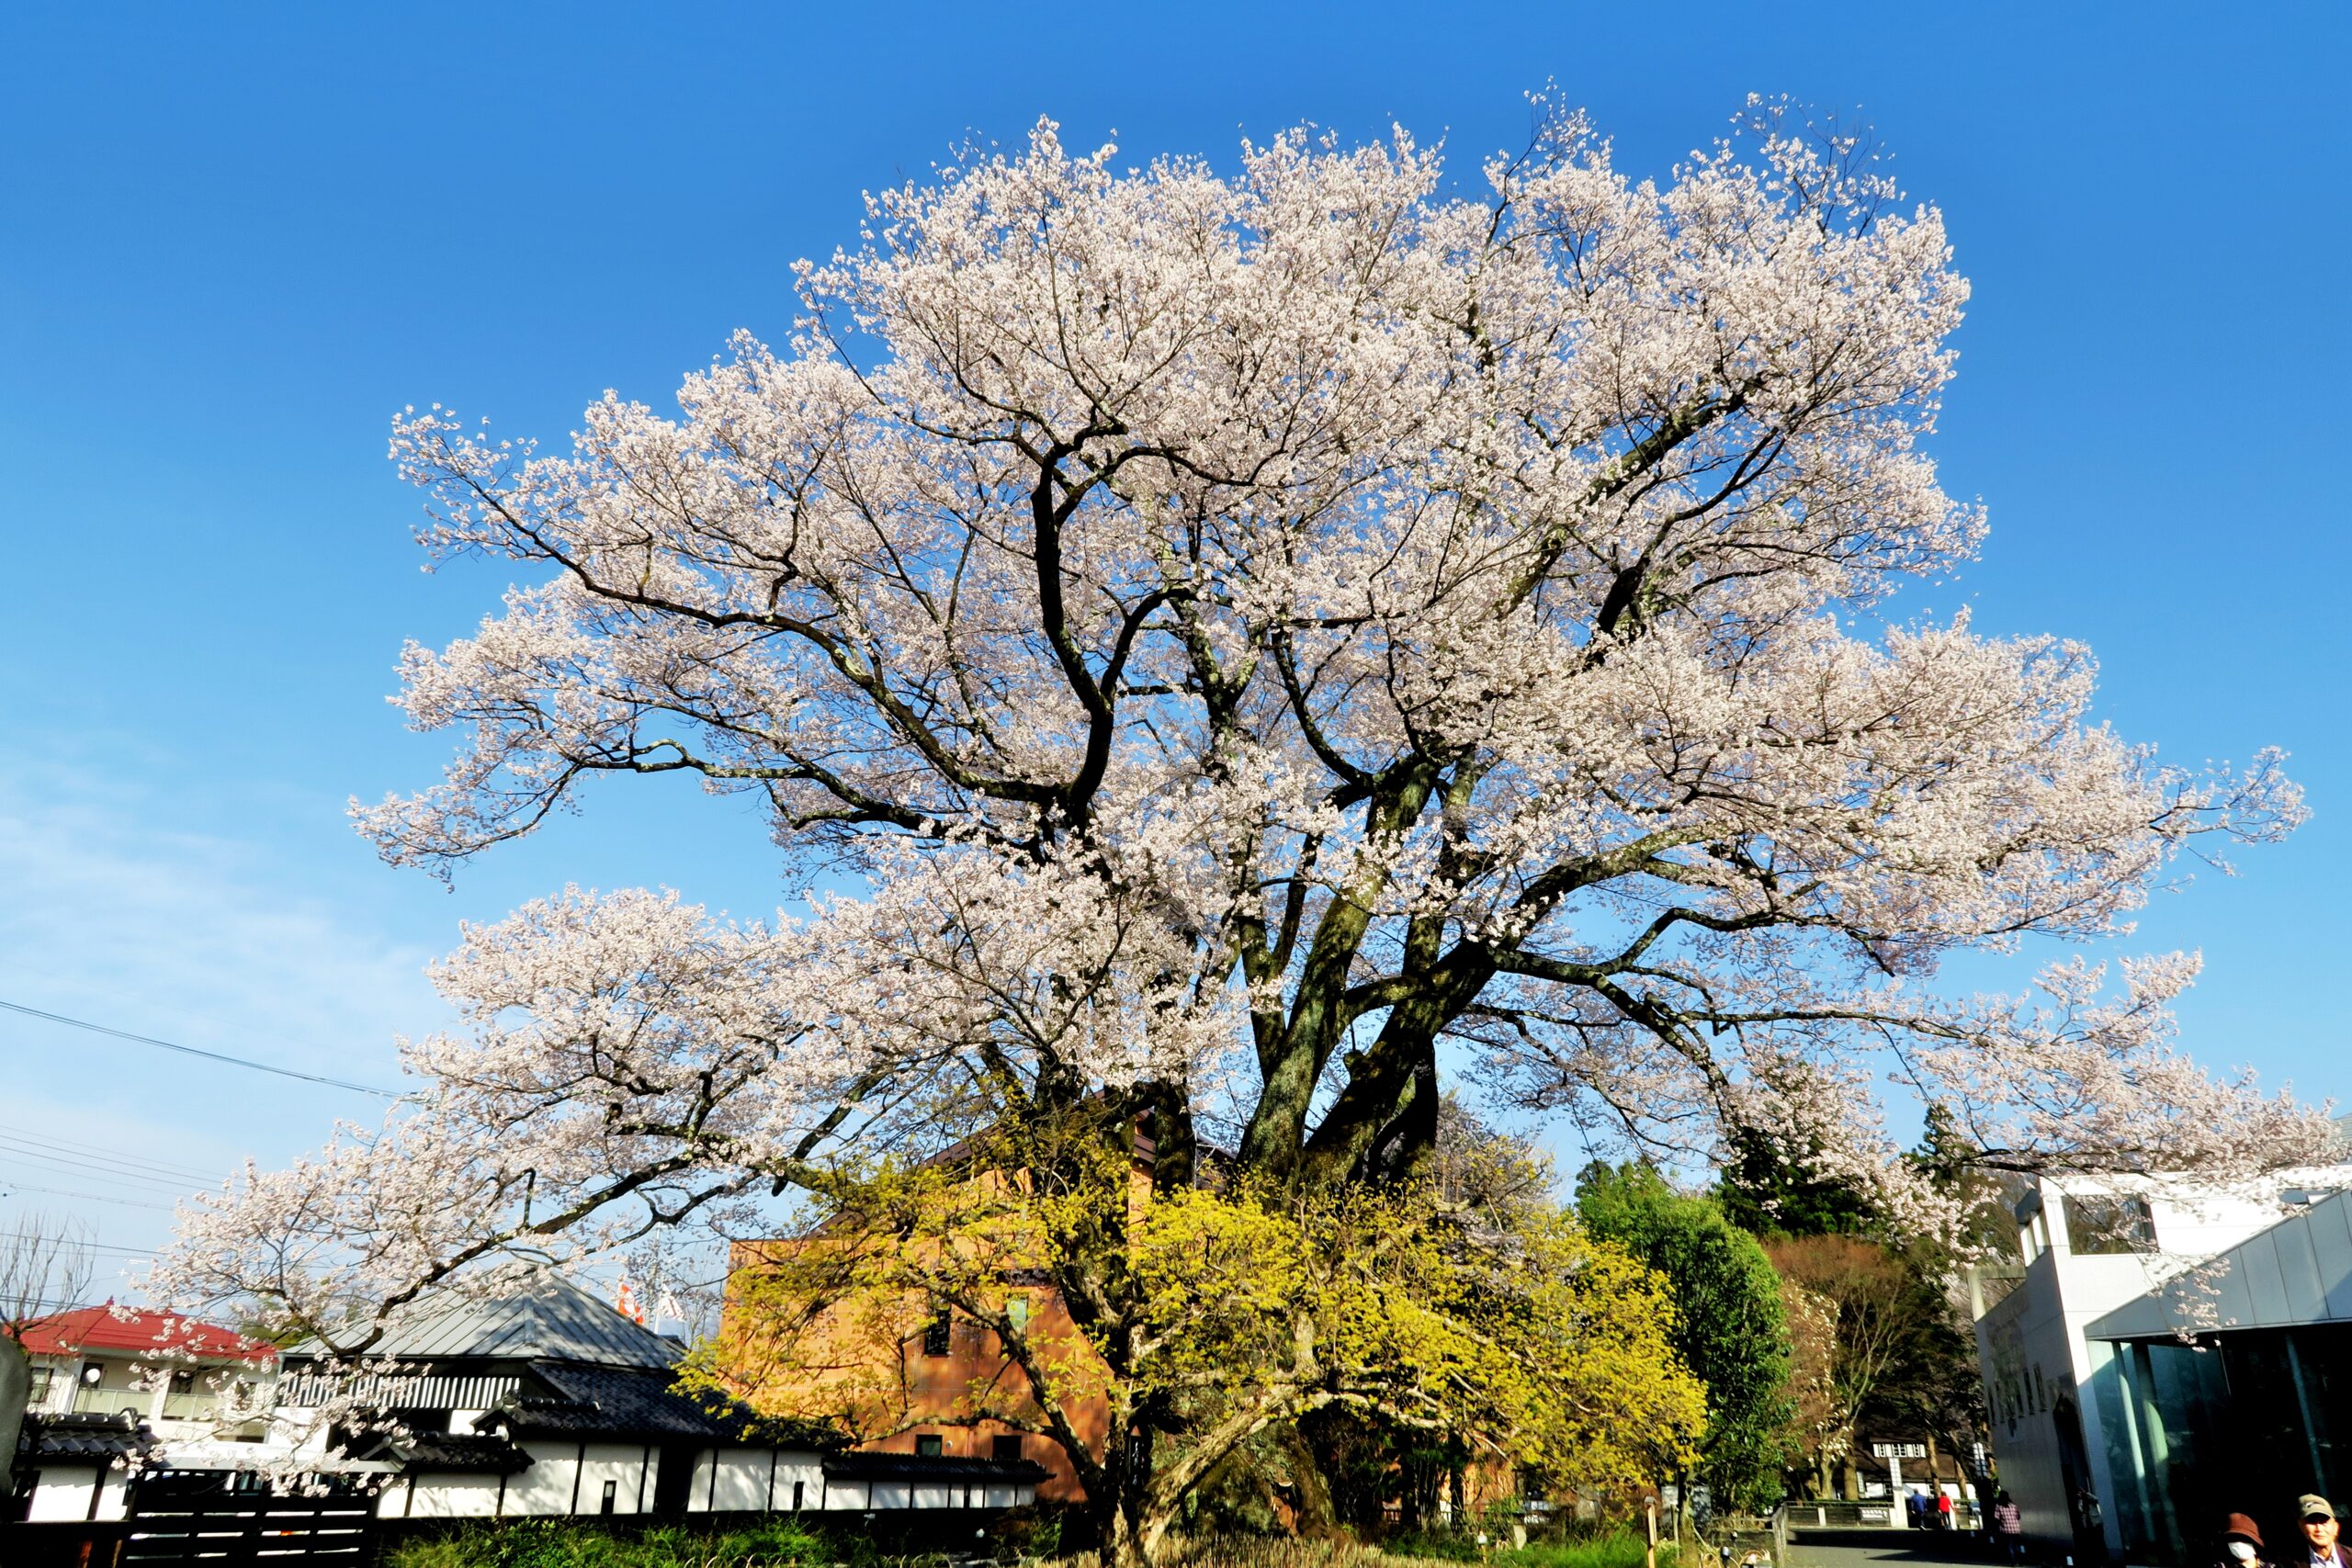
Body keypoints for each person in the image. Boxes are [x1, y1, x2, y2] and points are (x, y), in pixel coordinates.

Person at [2294, 1495, 2352, 1568]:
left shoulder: (2350, 1557)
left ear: (2336, 1527)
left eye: (2324, 1522)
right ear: (2301, 1526)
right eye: (2311, 1522)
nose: (2319, 1529)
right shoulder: (2286, 1563)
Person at [1992, 1491, 2025, 1564]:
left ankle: (2013, 1561)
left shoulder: (1998, 1506)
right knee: (2017, 1545)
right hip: (2016, 1528)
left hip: (2006, 1529)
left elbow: (1996, 1518)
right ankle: (2019, 1561)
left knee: (2009, 1546)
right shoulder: (2013, 1506)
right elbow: (2018, 1516)